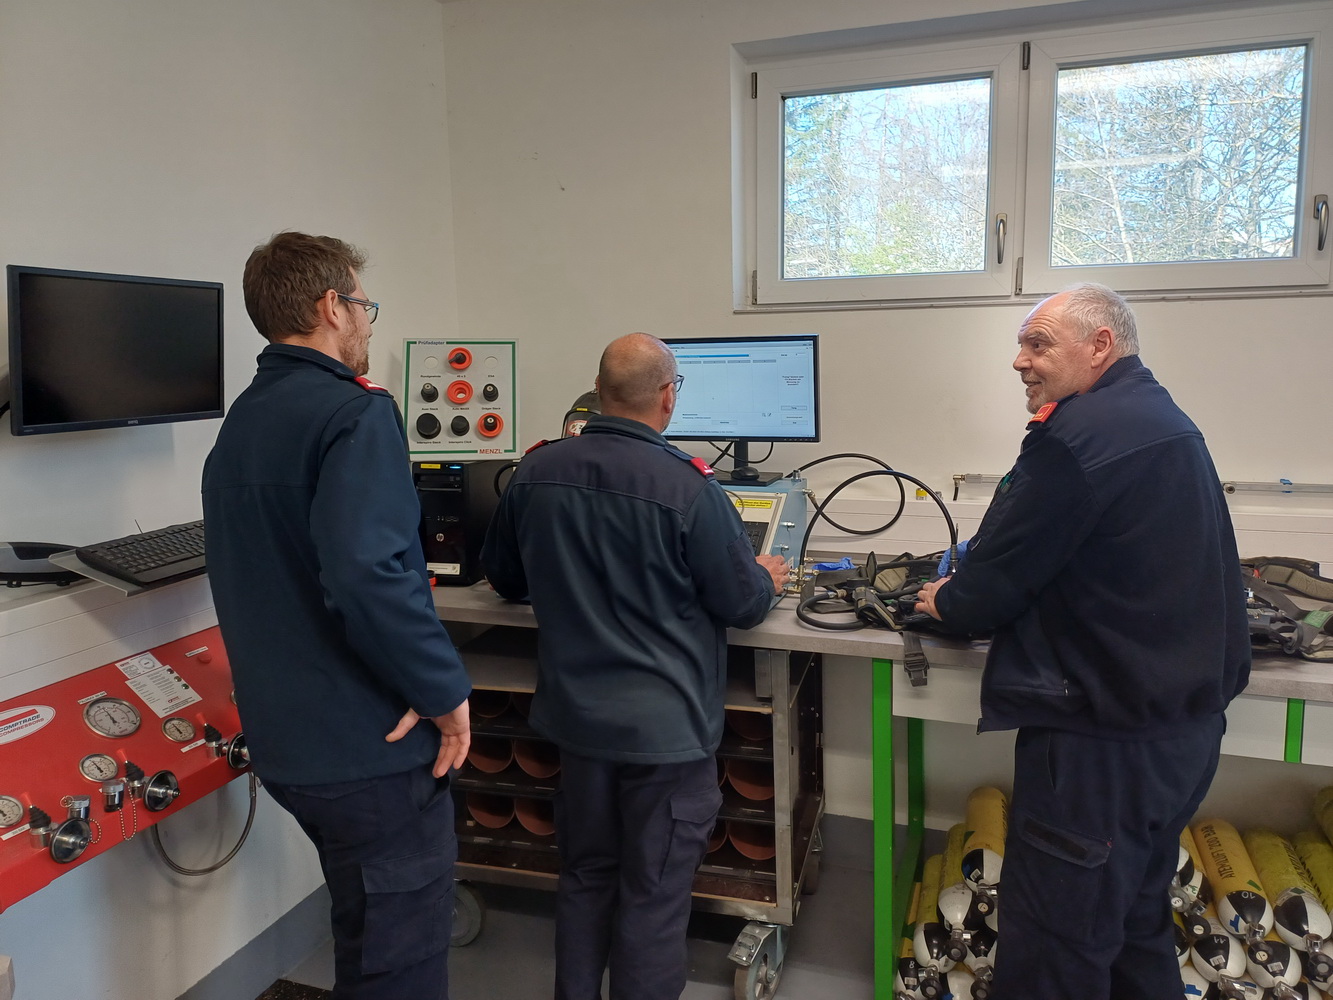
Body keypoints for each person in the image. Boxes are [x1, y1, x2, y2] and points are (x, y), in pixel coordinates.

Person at [914, 283, 1250, 1000]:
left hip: (1101, 749)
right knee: (1133, 927)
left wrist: (947, 598)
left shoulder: (1077, 438)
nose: (1019, 361)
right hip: (1178, 738)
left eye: (1037, 344)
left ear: (1100, 346)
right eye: (1020, 345)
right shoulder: (1160, 419)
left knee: (1055, 949)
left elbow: (992, 588)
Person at [202, 231, 471, 1000]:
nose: (367, 324)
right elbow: (368, 576)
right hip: (370, 749)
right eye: (364, 306)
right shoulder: (354, 414)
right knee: (400, 961)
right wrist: (443, 692)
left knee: (364, 927)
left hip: (289, 746)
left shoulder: (243, 422)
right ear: (332, 306)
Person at [480, 332, 789, 1000]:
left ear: (597, 392)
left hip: (578, 726)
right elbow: (740, 605)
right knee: (652, 893)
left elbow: (504, 578)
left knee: (585, 875)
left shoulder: (534, 472)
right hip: (664, 737)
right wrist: (766, 575)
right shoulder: (690, 489)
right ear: (668, 397)